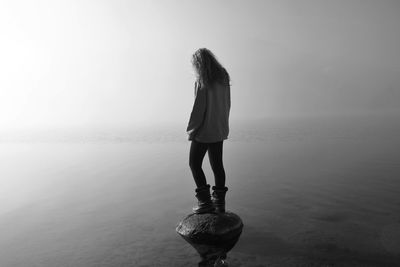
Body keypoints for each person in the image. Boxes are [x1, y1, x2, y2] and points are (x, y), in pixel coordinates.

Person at [186, 48, 231, 214]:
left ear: (198, 64)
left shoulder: (202, 79)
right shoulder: (223, 76)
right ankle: (219, 204)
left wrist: (192, 131)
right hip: (219, 128)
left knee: (194, 164)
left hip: (204, 131)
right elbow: (227, 103)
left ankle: (205, 203)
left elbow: (198, 109)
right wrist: (223, 124)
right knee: (217, 165)